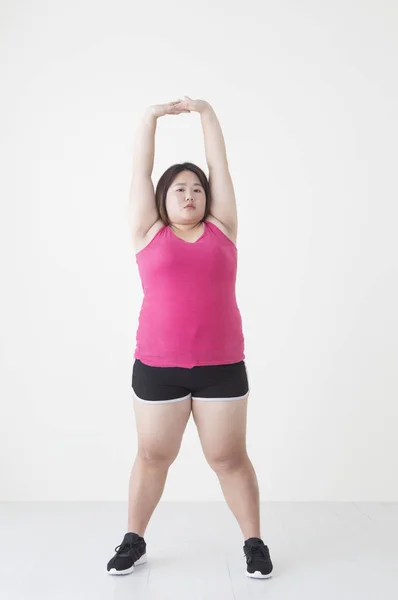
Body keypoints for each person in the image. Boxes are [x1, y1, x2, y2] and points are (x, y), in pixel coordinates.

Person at [106, 97, 273, 579]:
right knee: (154, 456)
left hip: (221, 365)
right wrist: (150, 119)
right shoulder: (147, 233)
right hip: (158, 365)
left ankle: (254, 542)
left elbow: (219, 165)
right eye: (178, 189)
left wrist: (206, 113)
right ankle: (134, 538)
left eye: (196, 188)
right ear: (162, 198)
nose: (189, 196)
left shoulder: (223, 229)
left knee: (229, 458)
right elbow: (140, 172)